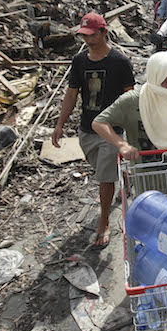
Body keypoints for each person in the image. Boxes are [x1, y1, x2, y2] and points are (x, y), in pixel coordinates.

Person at [52, 12, 135, 247]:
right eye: (84, 35)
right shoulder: (79, 61)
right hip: (87, 129)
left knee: (104, 178)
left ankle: (104, 221)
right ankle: (124, 175)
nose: (88, 40)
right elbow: (71, 94)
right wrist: (60, 124)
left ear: (103, 33)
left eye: (92, 35)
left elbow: (129, 97)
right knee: (101, 170)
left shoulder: (120, 62)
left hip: (112, 129)